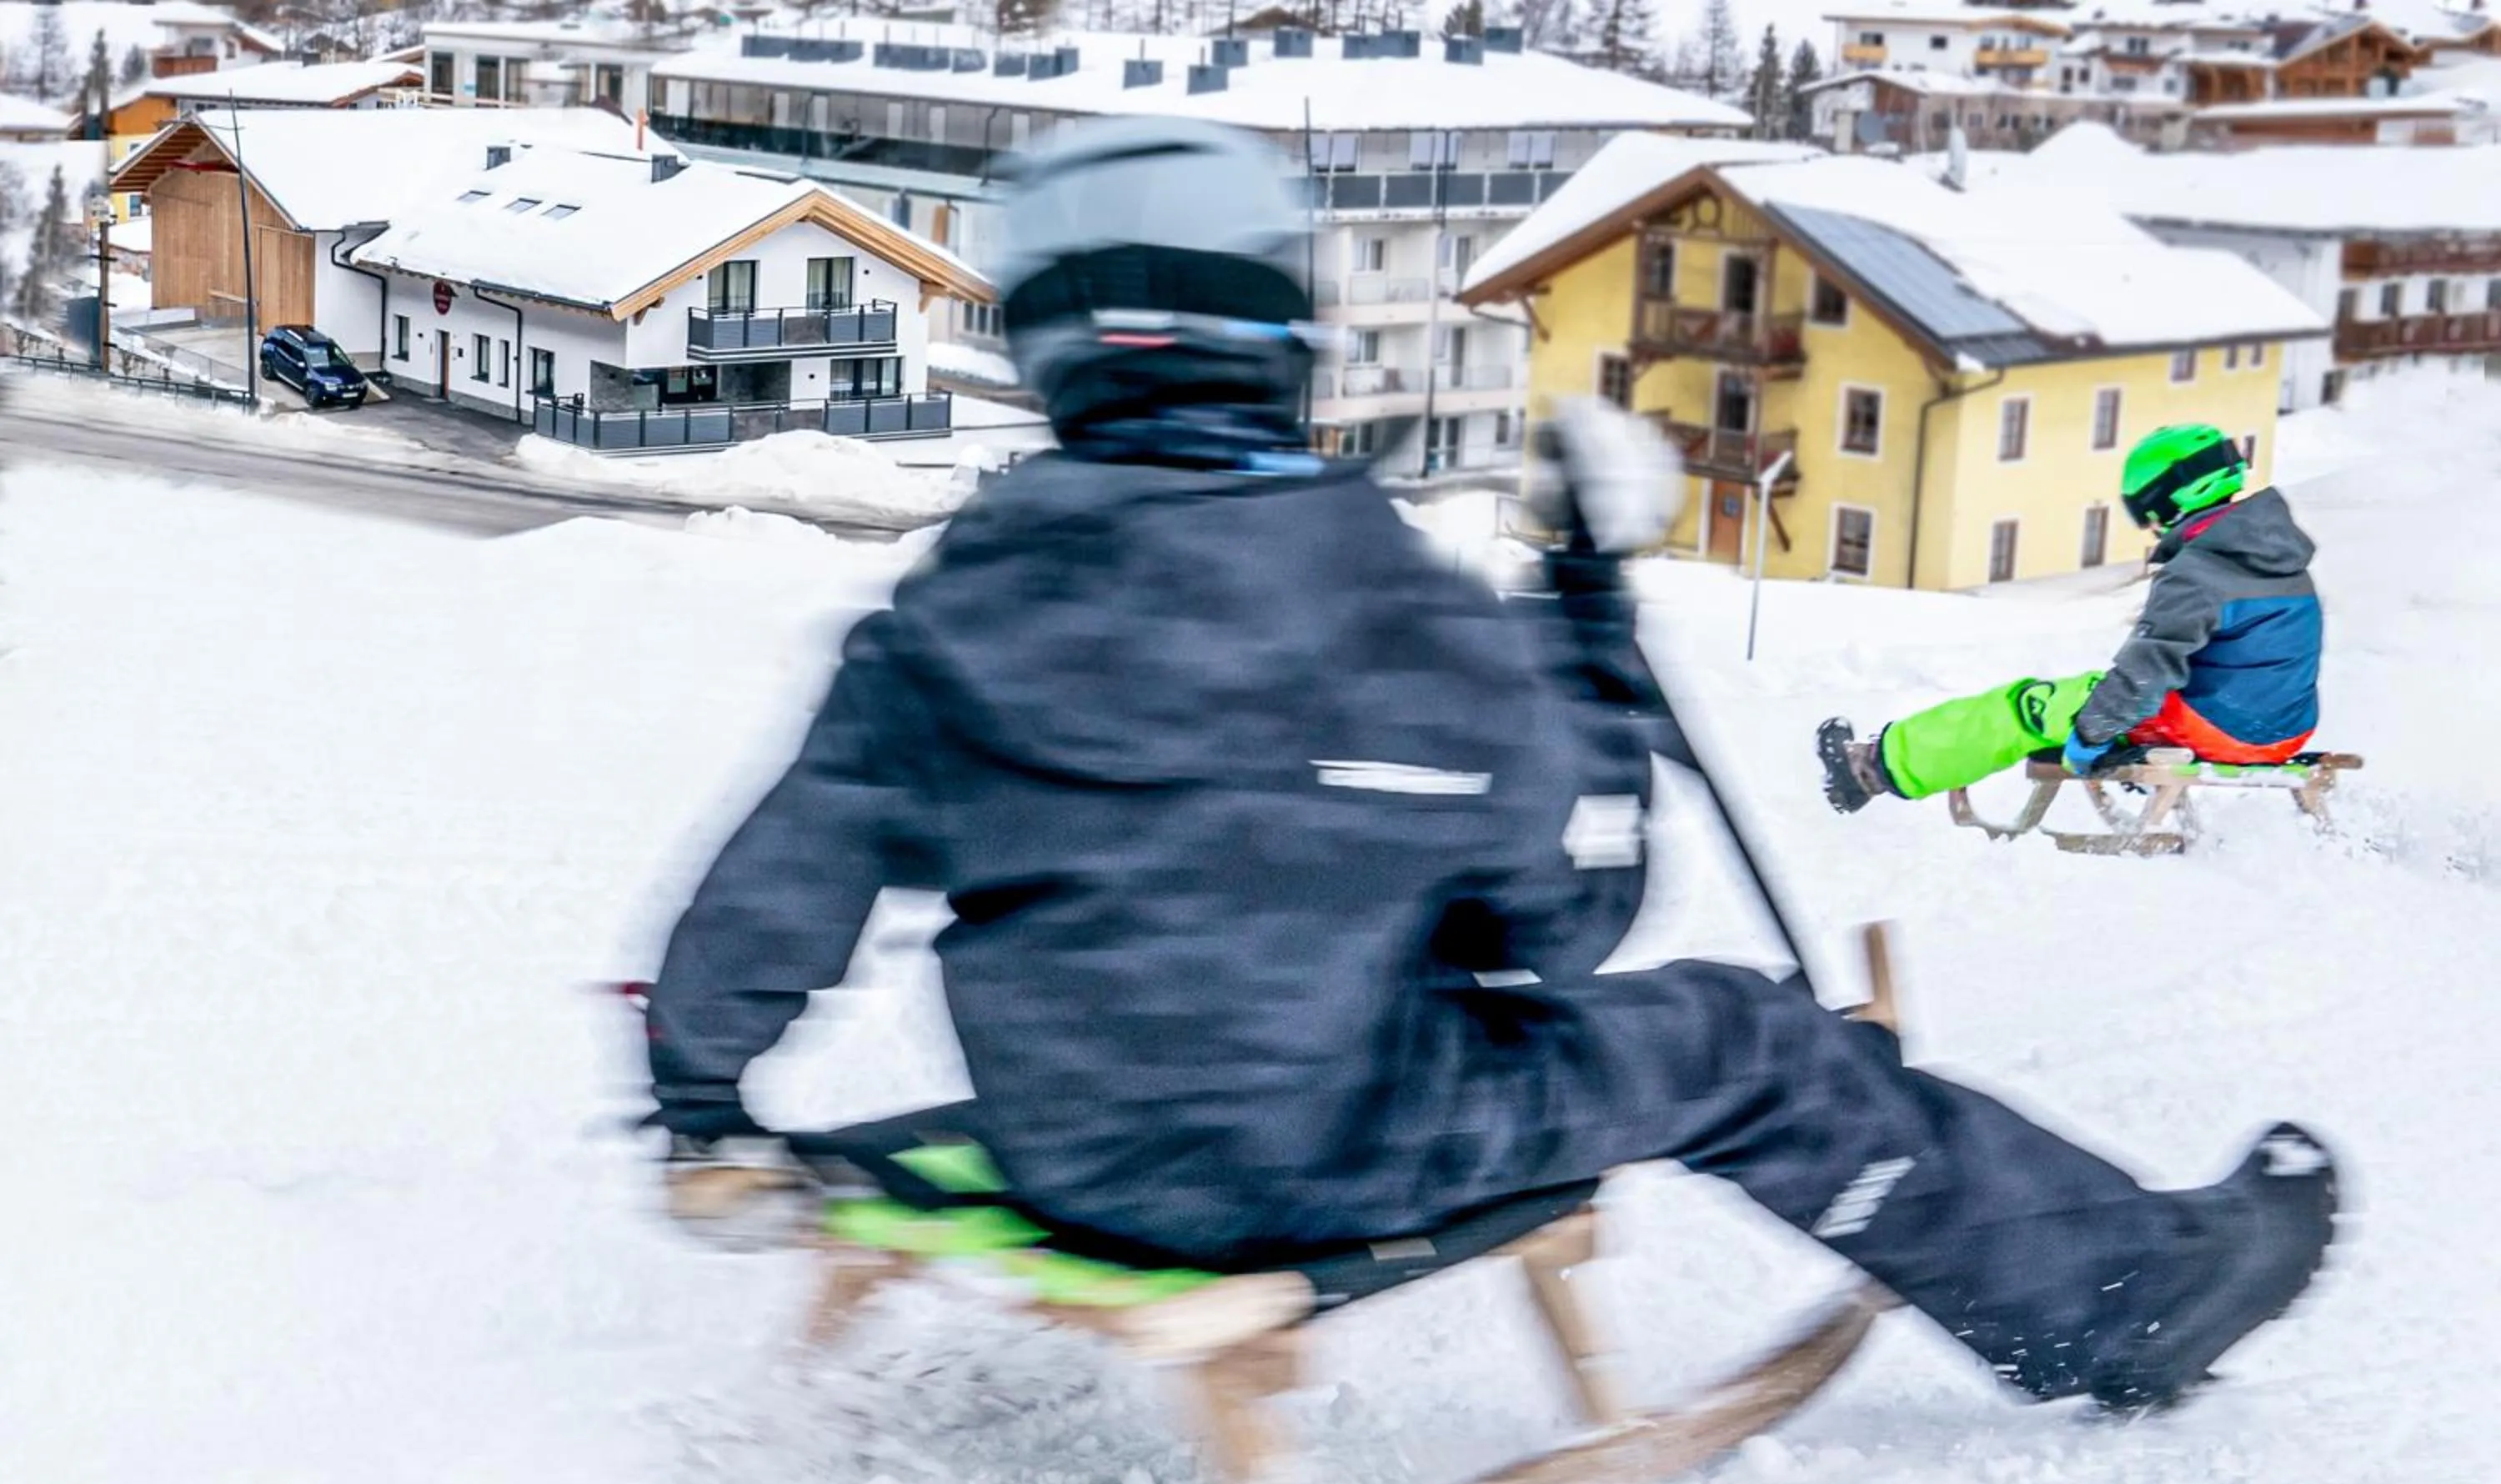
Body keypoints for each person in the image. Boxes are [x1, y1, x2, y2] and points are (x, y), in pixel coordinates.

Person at [638, 117, 2336, 1412]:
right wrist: (1583, 612)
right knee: (1742, 1035)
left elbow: (776, 886)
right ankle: (2125, 1301)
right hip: (1335, 1152)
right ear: (1274, 331)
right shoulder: (1379, 601)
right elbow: (1565, 927)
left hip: (1072, 1149)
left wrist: (701, 1101)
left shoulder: (947, 620)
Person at [1818, 427, 2323, 813]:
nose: (2151, 526)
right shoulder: (2281, 560)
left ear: (2172, 496)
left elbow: (2146, 672)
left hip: (2218, 730)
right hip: (2285, 732)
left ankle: (1874, 768)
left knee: (2027, 707)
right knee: (2101, 703)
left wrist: (2093, 734)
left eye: (2146, 510)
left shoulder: (2198, 573)